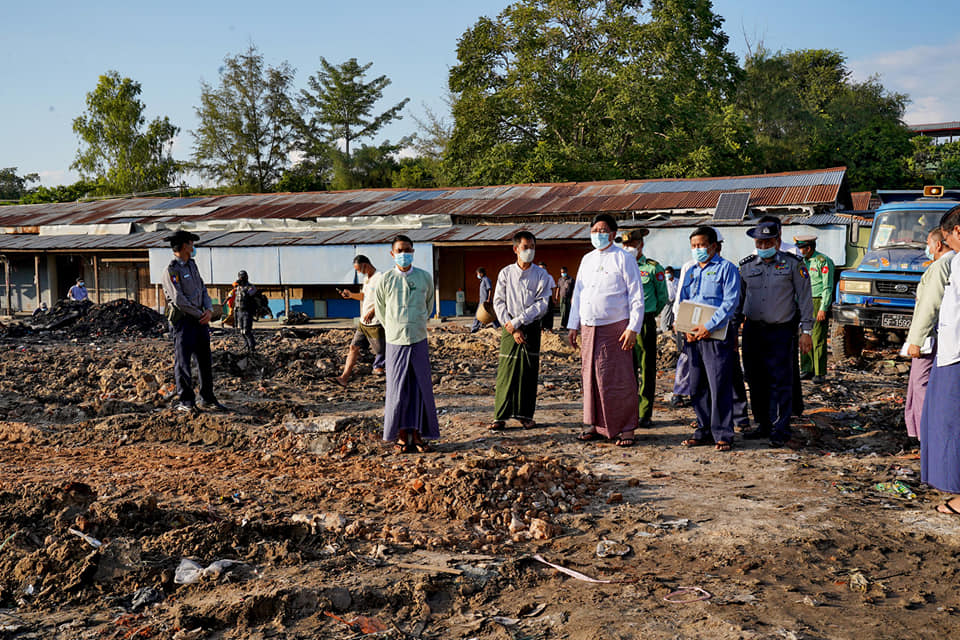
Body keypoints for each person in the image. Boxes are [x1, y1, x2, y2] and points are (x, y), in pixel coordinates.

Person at [568, 214, 645, 447]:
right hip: (589, 326)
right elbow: (578, 295)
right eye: (594, 230)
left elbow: (636, 296)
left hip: (617, 328)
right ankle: (593, 424)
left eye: (603, 230)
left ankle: (626, 428)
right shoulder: (587, 259)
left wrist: (633, 328)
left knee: (619, 378)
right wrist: (573, 325)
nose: (598, 234)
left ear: (613, 234)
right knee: (590, 376)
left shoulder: (624, 259)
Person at [739, 221, 814, 447]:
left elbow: (805, 299)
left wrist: (806, 331)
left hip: (780, 331)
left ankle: (781, 427)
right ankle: (763, 424)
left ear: (778, 242)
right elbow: (738, 301)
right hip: (753, 330)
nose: (763, 245)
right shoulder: (746, 266)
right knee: (755, 378)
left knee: (780, 380)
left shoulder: (793, 265)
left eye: (768, 242)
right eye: (759, 242)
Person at [676, 226, 741, 451]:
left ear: (713, 246)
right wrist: (685, 328)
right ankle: (703, 430)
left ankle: (723, 433)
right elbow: (683, 300)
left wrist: (709, 326)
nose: (698, 250)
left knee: (719, 385)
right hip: (693, 338)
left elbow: (730, 303)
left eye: (702, 245)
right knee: (697, 385)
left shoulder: (727, 269)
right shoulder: (690, 270)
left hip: (716, 336)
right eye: (694, 246)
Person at [374, 235, 440, 453]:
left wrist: (417, 323)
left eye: (408, 250)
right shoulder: (385, 280)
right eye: (399, 250)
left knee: (420, 388)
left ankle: (419, 435)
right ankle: (401, 436)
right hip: (395, 341)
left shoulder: (424, 278)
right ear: (392, 254)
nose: (404, 254)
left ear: (413, 252)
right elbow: (381, 311)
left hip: (418, 338)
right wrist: (394, 328)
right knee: (398, 389)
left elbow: (429, 306)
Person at [159, 229, 227, 413]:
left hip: (201, 321)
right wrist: (199, 314)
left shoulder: (192, 266)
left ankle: (207, 398)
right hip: (184, 323)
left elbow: (202, 289)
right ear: (183, 245)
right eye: (191, 243)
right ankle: (186, 401)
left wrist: (209, 309)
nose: (193, 246)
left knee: (205, 360)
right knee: (183, 363)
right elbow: (178, 299)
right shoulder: (171, 271)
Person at [490, 232, 552, 430]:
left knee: (528, 371)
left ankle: (525, 415)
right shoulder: (506, 273)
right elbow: (498, 302)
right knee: (506, 372)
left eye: (532, 246)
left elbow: (542, 303)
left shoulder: (541, 274)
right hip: (509, 327)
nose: (529, 251)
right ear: (516, 249)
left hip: (531, 326)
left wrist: (520, 321)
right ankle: (500, 416)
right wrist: (511, 325)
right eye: (525, 247)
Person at [921, 207, 960, 515]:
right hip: (950, 351)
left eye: (946, 238)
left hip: (956, 356)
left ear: (956, 232)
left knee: (951, 423)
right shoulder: (956, 261)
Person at [904, 229, 953, 440]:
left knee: (920, 383)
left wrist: (916, 340)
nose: (927, 249)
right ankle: (919, 430)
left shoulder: (941, 265)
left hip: (930, 336)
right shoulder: (953, 263)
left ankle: (925, 433)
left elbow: (929, 306)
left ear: (938, 245)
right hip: (942, 335)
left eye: (928, 244)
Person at [620, 228, 668, 429]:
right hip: (623, 322)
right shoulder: (619, 266)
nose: (628, 248)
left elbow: (662, 298)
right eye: (625, 245)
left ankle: (644, 413)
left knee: (646, 368)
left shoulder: (652, 268)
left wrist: (647, 315)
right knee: (626, 369)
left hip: (645, 323)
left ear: (641, 245)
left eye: (632, 245)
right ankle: (628, 412)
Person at [336, 255, 386, 385]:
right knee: (353, 347)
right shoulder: (366, 279)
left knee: (382, 351)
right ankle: (344, 378)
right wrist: (351, 295)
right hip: (364, 323)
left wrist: (373, 312)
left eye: (359, 269)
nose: (358, 272)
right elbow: (364, 296)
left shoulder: (380, 277)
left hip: (375, 323)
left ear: (365, 264)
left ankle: (386, 372)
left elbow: (385, 299)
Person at [796, 235, 835, 383]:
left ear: (809, 248)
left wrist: (823, 308)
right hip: (804, 301)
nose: (799, 251)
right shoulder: (801, 262)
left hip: (818, 301)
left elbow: (827, 287)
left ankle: (819, 372)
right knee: (804, 336)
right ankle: (807, 368)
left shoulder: (823, 261)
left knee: (817, 337)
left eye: (801, 248)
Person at [233, 270, 258, 353]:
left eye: (242, 277)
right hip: (239, 311)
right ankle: (246, 344)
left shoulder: (251, 287)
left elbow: (249, 294)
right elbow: (236, 299)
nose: (241, 279)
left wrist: (243, 288)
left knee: (247, 330)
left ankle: (252, 346)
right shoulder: (237, 288)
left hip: (247, 311)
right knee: (241, 331)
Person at [470, 267, 500, 333]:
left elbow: (489, 289)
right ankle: (497, 326)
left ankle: (474, 329)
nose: (477, 275)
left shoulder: (486, 280)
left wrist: (488, 299)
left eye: (478, 273)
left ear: (481, 273)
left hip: (485, 301)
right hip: (482, 300)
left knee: (479, 315)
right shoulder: (482, 280)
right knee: (490, 315)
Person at [537, 262, 557, 331]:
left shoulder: (549, 277)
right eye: (540, 268)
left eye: (543, 268)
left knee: (549, 313)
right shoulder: (536, 277)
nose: (541, 270)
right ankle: (541, 328)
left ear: (545, 269)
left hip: (548, 297)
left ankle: (550, 328)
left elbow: (553, 288)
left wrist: (554, 298)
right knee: (540, 313)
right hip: (539, 298)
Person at [660, 266, 677, 333]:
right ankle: (664, 330)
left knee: (674, 316)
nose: (667, 275)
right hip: (667, 301)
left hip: (675, 301)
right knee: (665, 316)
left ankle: (673, 329)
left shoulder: (677, 281)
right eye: (665, 273)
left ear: (672, 273)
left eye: (668, 273)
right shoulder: (664, 282)